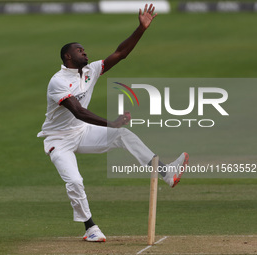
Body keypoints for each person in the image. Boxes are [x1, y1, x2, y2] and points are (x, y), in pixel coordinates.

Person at [37, 4, 189, 242]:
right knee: (75, 181)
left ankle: (166, 173)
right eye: (80, 50)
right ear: (68, 56)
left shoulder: (89, 71)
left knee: (124, 135)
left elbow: (120, 53)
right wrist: (111, 122)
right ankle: (90, 228)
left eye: (85, 50)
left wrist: (141, 28)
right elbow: (78, 111)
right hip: (59, 140)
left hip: (82, 132)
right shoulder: (58, 82)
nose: (85, 53)